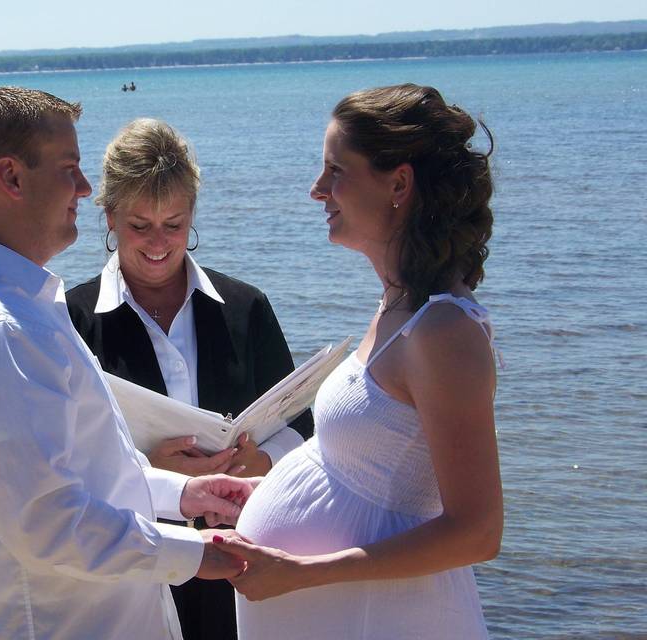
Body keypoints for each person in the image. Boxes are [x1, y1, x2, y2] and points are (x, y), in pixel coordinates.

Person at [0, 86, 255, 640]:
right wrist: (199, 553)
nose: (87, 190)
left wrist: (182, 493)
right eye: (70, 169)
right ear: (11, 178)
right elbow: (48, 524)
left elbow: (81, 476)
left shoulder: (15, 307)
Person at [214, 84, 504, 639]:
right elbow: (370, 470)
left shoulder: (444, 331)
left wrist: (304, 570)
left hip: (387, 616)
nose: (317, 190)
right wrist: (267, 496)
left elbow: (478, 531)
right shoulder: (399, 304)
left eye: (335, 171)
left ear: (398, 183)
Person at [67, 118, 314, 640]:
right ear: (109, 217)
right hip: (135, 563)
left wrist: (262, 460)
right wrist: (149, 472)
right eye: (139, 226)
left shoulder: (246, 307)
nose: (158, 243)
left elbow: (306, 426)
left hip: (243, 552)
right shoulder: (71, 321)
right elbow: (63, 462)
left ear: (193, 215)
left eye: (174, 224)